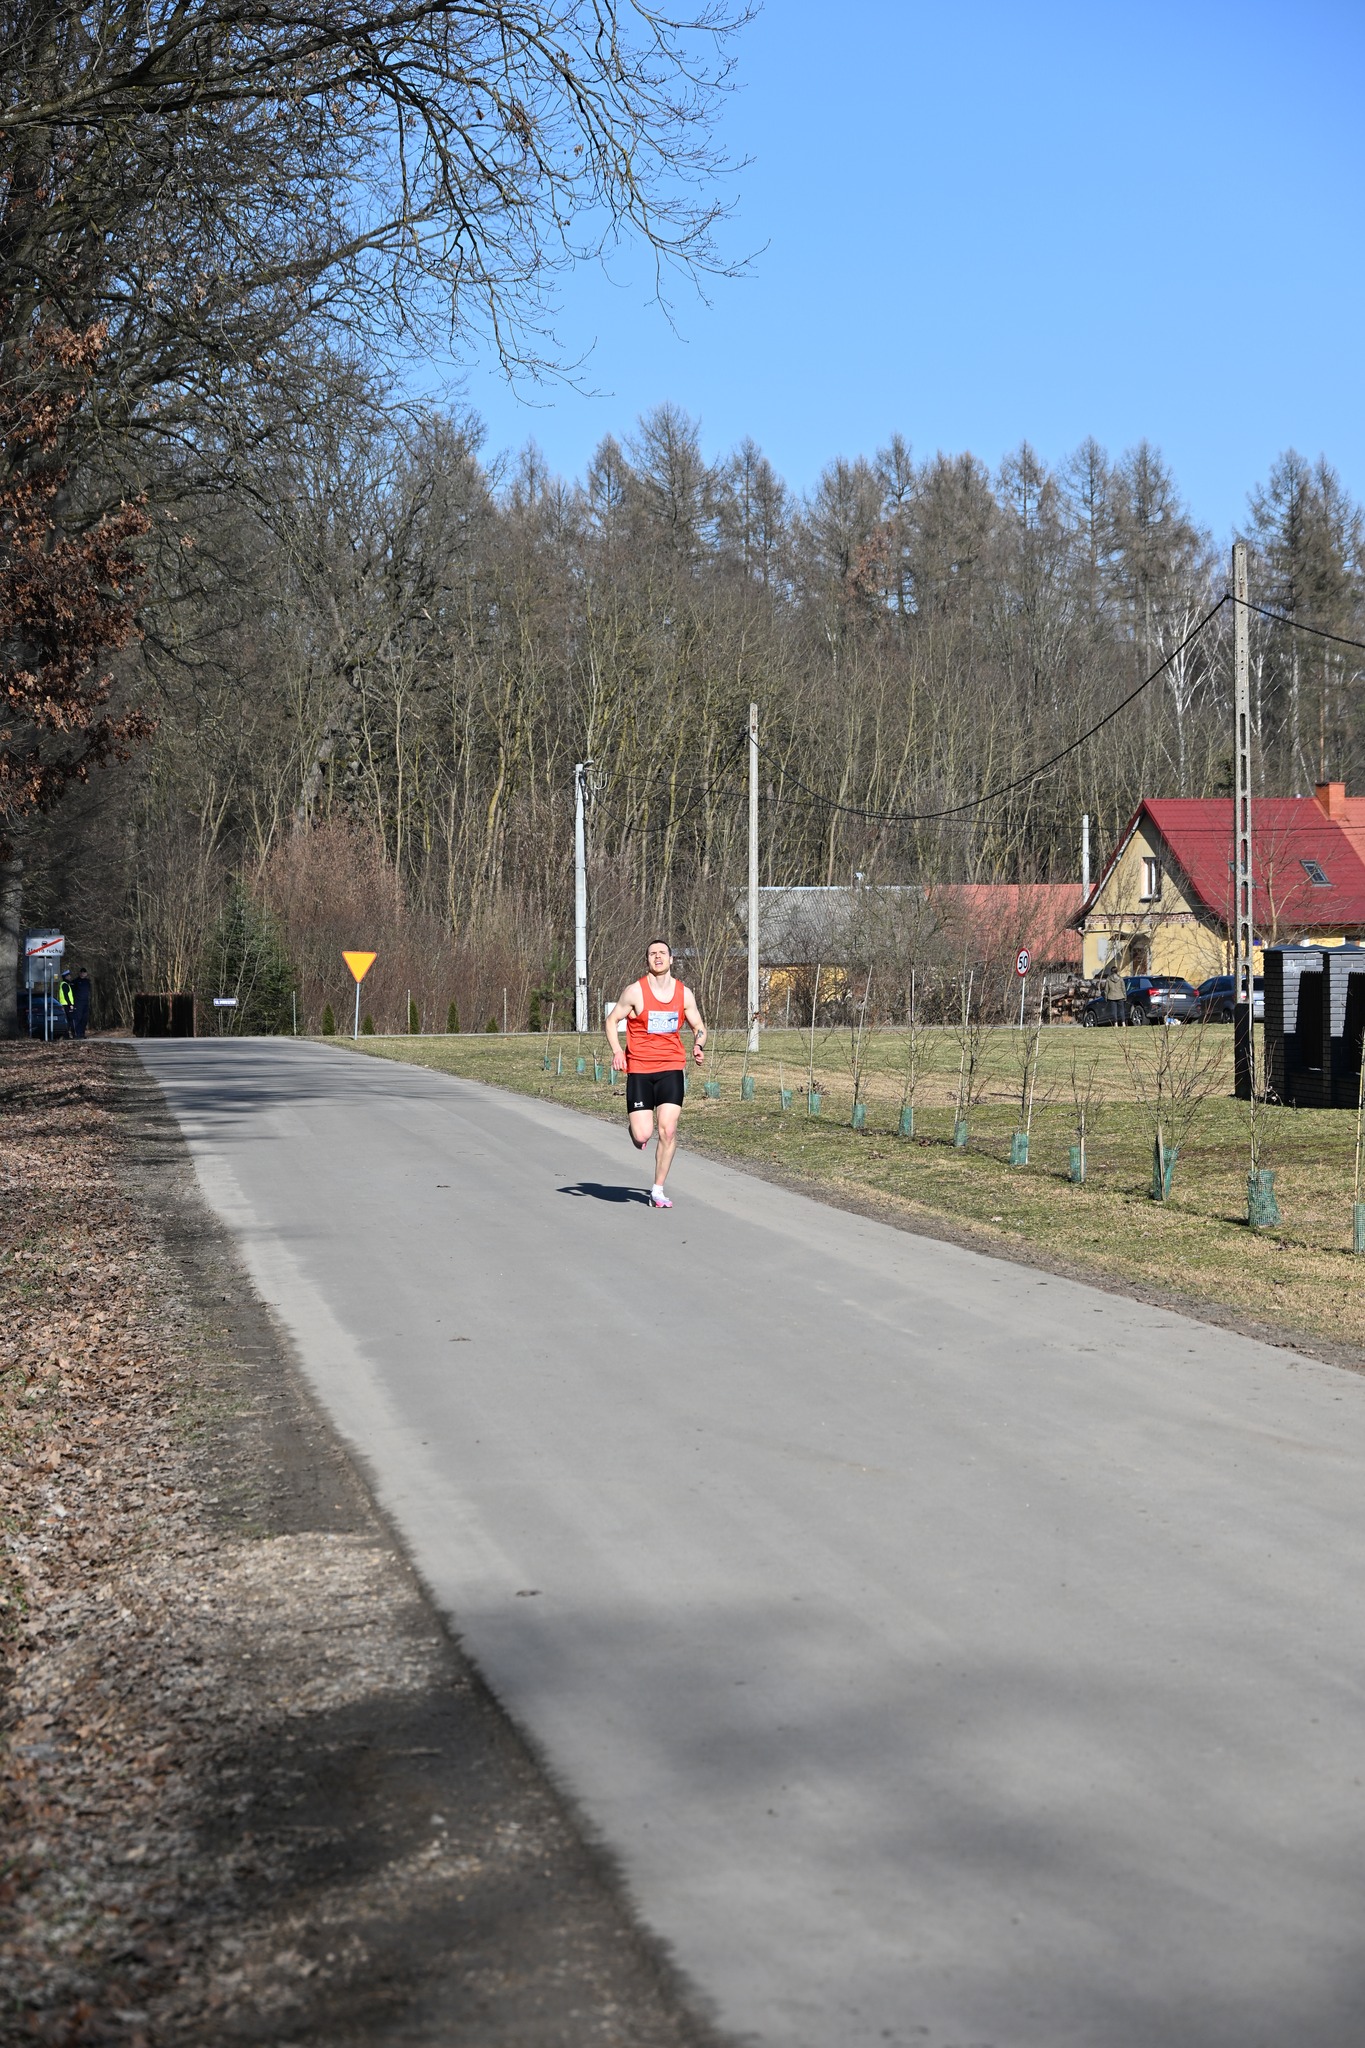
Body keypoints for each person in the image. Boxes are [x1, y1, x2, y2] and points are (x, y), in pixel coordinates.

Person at [605, 940, 706, 1209]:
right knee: (642, 1135)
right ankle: (637, 1132)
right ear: (647, 960)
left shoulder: (684, 994)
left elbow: (699, 1026)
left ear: (672, 959)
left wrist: (698, 1044)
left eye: (662, 953)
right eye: (652, 954)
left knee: (669, 1130)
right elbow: (612, 1020)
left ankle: (657, 1189)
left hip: (671, 1067)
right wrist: (617, 1051)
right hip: (639, 1069)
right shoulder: (635, 992)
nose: (657, 957)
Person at [72, 968, 91, 1041]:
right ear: (79, 973)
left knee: (84, 1019)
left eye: (84, 972)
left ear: (86, 973)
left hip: (85, 1002)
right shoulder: (75, 981)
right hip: (78, 1003)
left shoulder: (87, 982)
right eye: (82, 972)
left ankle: (82, 1033)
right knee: (78, 1018)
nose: (83, 974)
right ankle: (77, 1034)